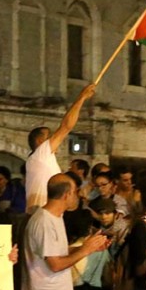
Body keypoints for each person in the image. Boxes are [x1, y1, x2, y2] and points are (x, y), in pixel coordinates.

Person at [25, 83, 96, 211]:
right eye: (50, 136)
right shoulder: (41, 154)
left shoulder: (39, 160)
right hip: (42, 215)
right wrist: (81, 98)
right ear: (40, 141)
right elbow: (66, 126)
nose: (55, 139)